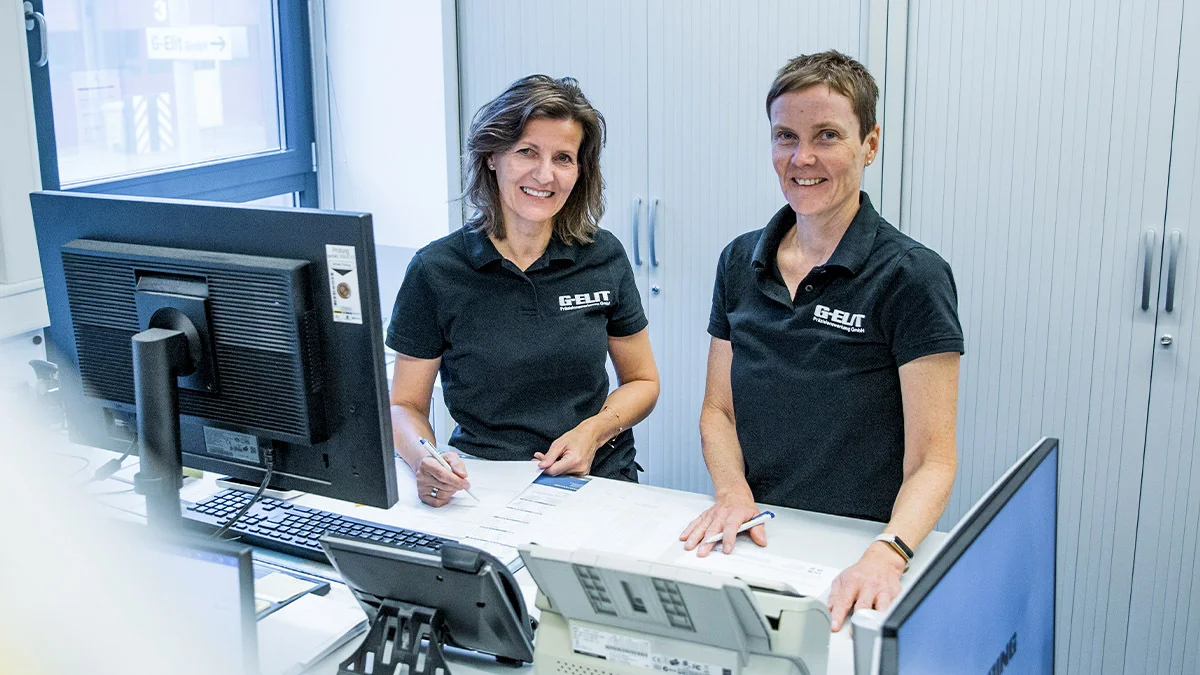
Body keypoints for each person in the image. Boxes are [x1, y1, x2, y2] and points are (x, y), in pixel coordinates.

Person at [679, 51, 963, 632]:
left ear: (870, 144)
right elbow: (718, 411)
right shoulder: (739, 260)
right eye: (786, 136)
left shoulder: (912, 276)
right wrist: (732, 493)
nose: (801, 158)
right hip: (754, 533)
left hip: (862, 546)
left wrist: (889, 553)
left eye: (826, 136)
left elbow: (933, 460)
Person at [388, 75, 659, 508]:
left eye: (563, 158)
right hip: (483, 485)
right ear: (492, 156)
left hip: (597, 476)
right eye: (527, 151)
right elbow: (404, 405)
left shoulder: (602, 255)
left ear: (579, 171)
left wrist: (593, 431)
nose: (545, 174)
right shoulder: (436, 270)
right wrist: (426, 460)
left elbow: (643, 381)